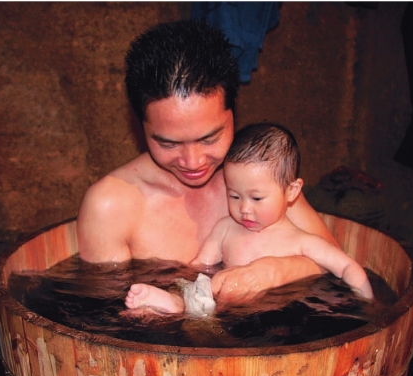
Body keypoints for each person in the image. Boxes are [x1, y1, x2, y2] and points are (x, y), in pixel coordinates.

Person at [76, 20, 337, 304]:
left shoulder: (259, 176)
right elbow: (105, 315)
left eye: (210, 138)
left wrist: (275, 271)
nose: (193, 161)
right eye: (169, 143)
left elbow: (338, 266)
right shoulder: (111, 205)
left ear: (233, 113)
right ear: (141, 127)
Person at [125, 123, 374, 315]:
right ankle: (175, 302)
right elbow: (198, 267)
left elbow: (345, 266)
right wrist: (176, 282)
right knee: (212, 285)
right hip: (226, 309)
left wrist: (366, 303)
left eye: (256, 198)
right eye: (234, 196)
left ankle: (181, 306)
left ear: (291, 191)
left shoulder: (302, 242)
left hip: (280, 316)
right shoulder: (225, 229)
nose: (244, 208)